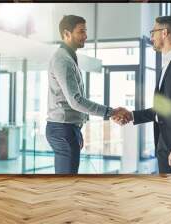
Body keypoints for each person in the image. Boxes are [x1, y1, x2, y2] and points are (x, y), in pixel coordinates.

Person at [46, 15, 126, 174]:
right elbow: (75, 101)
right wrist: (111, 112)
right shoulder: (63, 60)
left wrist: (77, 129)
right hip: (63, 129)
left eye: (85, 31)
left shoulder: (68, 57)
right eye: (81, 31)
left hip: (67, 128)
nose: (85, 36)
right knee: (66, 185)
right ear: (67, 34)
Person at [114, 16, 171, 174]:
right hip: (163, 144)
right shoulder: (167, 64)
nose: (151, 37)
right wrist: (131, 115)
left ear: (164, 33)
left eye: (153, 32)